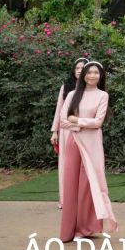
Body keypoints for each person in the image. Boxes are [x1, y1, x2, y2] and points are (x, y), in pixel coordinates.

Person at [58, 61, 117, 241]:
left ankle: (84, 229)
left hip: (92, 144)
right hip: (74, 142)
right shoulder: (72, 95)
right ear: (83, 75)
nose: (92, 75)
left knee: (88, 185)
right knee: (71, 186)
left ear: (101, 76)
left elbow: (98, 122)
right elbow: (63, 121)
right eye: (89, 72)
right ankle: (69, 229)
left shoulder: (103, 95)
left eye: (96, 73)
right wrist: (82, 125)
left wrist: (76, 120)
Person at [51, 57, 88, 209]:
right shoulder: (65, 87)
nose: (79, 70)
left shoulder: (91, 88)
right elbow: (59, 110)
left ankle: (83, 201)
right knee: (66, 165)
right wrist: (55, 131)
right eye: (77, 68)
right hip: (66, 131)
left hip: (85, 130)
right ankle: (66, 200)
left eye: (82, 68)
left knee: (84, 165)